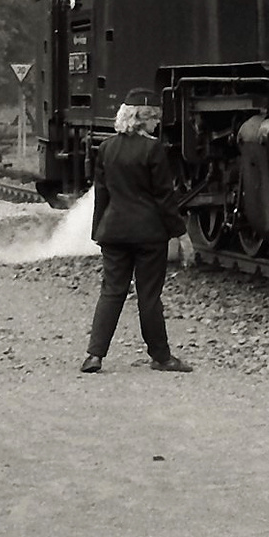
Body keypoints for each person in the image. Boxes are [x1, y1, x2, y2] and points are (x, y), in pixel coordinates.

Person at [81, 88, 191, 374]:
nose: (157, 125)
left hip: (114, 232)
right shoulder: (153, 149)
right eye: (155, 119)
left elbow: (101, 195)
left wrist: (98, 232)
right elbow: (164, 198)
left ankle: (94, 355)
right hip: (148, 234)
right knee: (149, 297)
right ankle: (161, 357)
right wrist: (180, 233)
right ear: (145, 119)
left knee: (112, 292)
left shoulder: (106, 148)